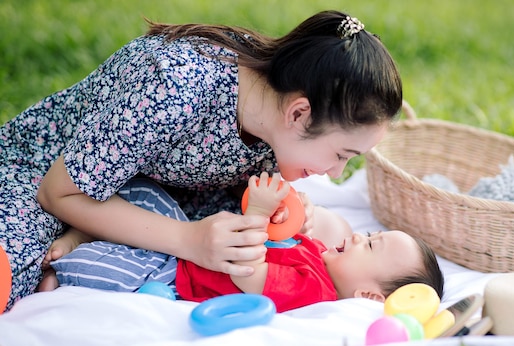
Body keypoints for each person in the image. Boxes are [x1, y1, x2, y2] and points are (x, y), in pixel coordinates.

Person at [0, 10, 403, 311]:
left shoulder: (272, 117)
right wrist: (187, 241)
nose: (335, 173)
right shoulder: (176, 86)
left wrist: (282, 210)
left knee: (319, 230)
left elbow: (235, 184)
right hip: (47, 176)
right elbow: (57, 193)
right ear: (298, 113)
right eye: (340, 156)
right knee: (12, 265)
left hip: (154, 192)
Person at [41, 174, 444, 313]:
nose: (360, 235)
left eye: (370, 246)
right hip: (188, 239)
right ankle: (86, 227)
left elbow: (249, 269)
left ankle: (65, 269)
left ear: (369, 296)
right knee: (145, 193)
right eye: (371, 234)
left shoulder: (314, 291)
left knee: (109, 268)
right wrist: (289, 214)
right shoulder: (320, 258)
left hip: (176, 274)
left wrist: (257, 213)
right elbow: (279, 241)